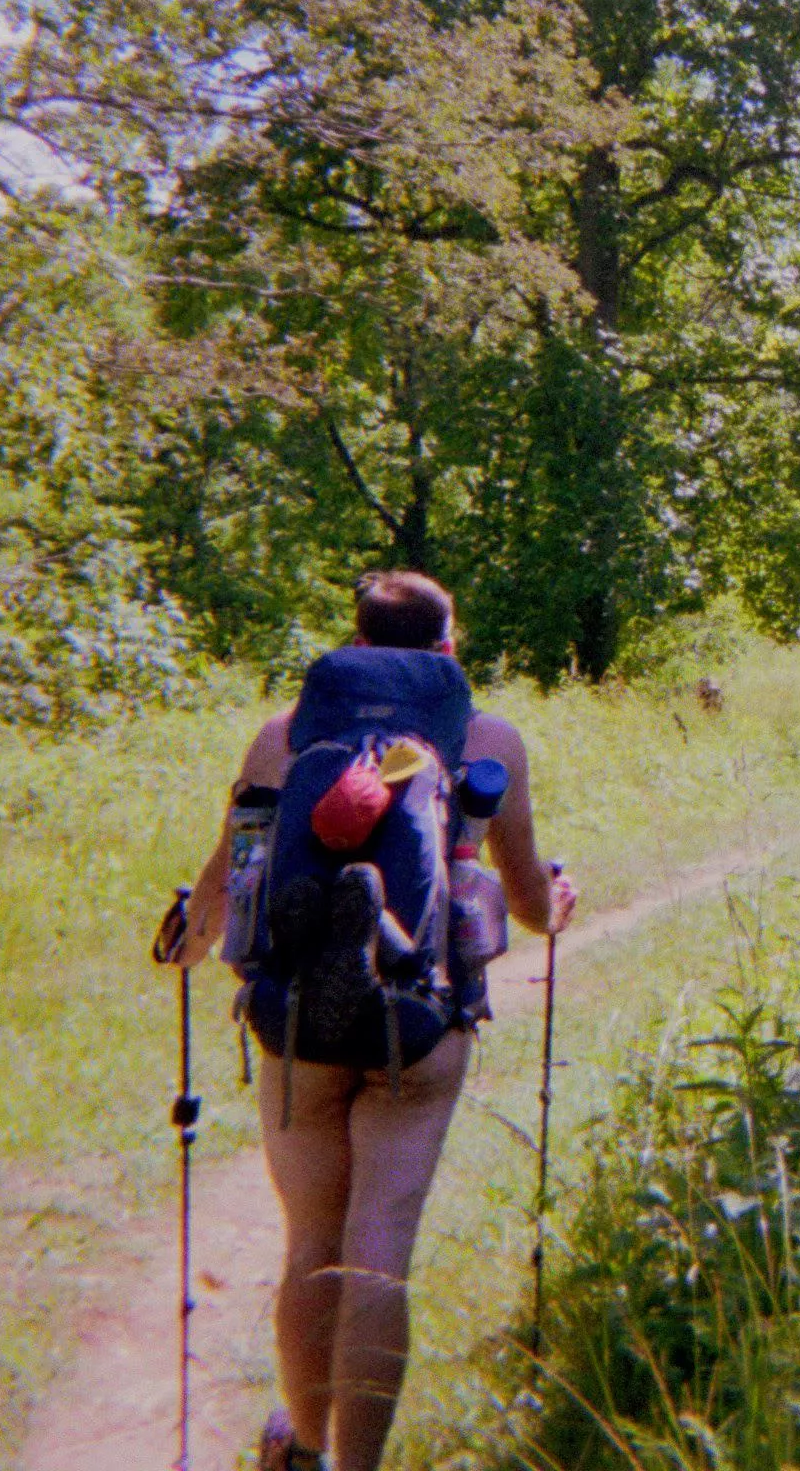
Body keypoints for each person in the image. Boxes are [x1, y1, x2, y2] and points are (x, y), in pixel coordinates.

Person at [166, 571, 576, 1471]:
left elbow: (230, 878)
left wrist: (184, 942)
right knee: (378, 1250)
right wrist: (559, 900)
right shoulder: (486, 737)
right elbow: (530, 901)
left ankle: (303, 1449)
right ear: (447, 647)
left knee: (311, 1241)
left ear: (354, 643)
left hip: (299, 1016)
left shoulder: (285, 738)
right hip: (419, 1024)